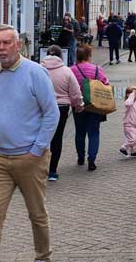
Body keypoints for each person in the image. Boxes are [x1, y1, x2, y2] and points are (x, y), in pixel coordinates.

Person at [0, 24, 59, 262]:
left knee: (37, 214)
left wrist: (37, 149)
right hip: (0, 160)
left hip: (30, 159)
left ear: (17, 44)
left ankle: (43, 257)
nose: (1, 48)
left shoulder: (35, 72)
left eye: (6, 43)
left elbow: (51, 113)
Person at [41, 45, 83, 181]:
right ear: (61, 56)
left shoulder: (38, 70)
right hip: (61, 108)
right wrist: (78, 104)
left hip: (42, 107)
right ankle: (52, 171)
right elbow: (75, 92)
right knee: (57, 139)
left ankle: (40, 169)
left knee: (41, 138)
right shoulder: (67, 71)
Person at [70, 45, 110, 171]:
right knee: (94, 133)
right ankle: (91, 159)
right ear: (89, 56)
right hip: (94, 105)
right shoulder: (97, 69)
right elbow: (106, 84)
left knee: (80, 133)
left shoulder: (72, 70)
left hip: (79, 105)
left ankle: (80, 157)